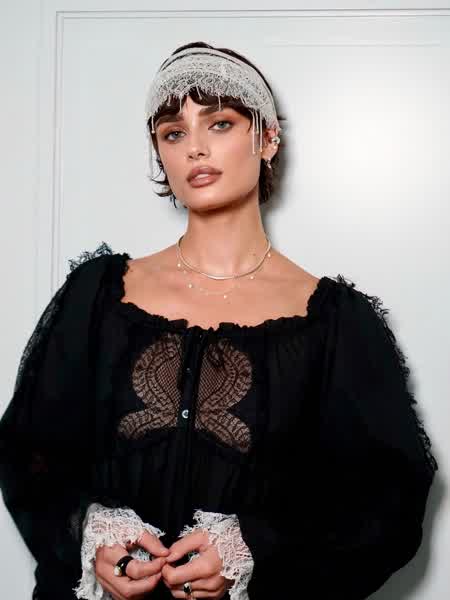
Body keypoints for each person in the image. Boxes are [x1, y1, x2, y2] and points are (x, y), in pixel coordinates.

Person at [0, 40, 439, 600]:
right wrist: (89, 533)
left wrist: (254, 549)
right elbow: (28, 452)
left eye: (221, 123)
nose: (195, 148)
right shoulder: (97, 296)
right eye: (173, 133)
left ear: (268, 138)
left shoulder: (334, 324)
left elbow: (388, 502)